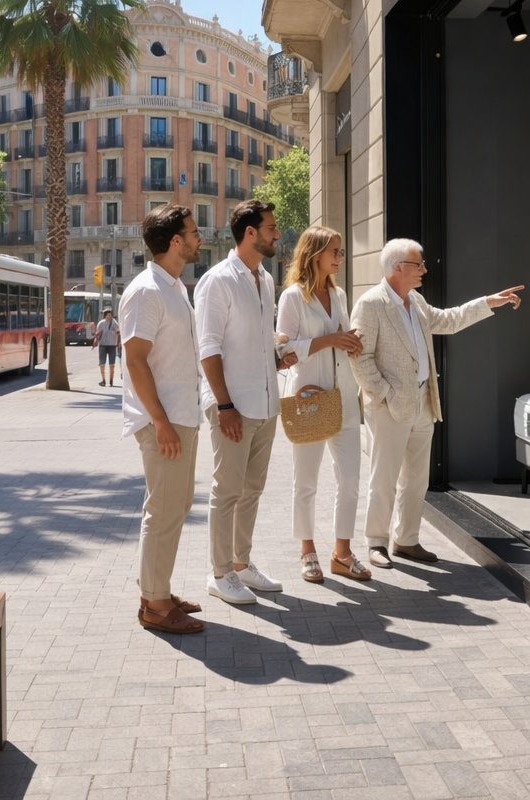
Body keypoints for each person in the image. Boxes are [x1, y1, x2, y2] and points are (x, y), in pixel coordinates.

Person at [350, 238, 524, 569]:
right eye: (419, 265)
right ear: (399, 268)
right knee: (383, 478)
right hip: (389, 405)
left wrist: (489, 302)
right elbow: (360, 358)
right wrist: (385, 394)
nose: (425, 270)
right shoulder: (370, 304)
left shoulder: (415, 300)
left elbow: (447, 320)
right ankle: (376, 542)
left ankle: (406, 540)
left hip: (423, 402)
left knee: (416, 479)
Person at [196, 200, 298, 605]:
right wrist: (224, 406)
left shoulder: (266, 279)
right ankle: (220, 573)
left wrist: (277, 356)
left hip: (265, 403)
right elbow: (208, 348)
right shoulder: (217, 281)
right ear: (250, 232)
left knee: (252, 489)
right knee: (226, 490)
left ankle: (241, 564)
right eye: (271, 228)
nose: (277, 233)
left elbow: (259, 338)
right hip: (232, 406)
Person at [120, 204, 204, 634]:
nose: (198, 237)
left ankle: (158, 589)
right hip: (163, 421)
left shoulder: (173, 287)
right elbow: (135, 361)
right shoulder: (146, 290)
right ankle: (154, 604)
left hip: (181, 416)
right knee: (164, 509)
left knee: (176, 506)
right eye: (192, 232)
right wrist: (160, 421)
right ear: (175, 241)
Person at [276, 226, 366, 583]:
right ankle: (307, 550)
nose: (340, 258)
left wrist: (350, 344)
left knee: (350, 480)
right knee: (306, 481)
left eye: (341, 252)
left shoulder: (339, 294)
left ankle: (341, 553)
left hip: (344, 398)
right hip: (310, 399)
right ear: (314, 254)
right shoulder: (293, 298)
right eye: (335, 251)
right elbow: (284, 351)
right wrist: (329, 339)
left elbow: (338, 340)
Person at [94, 306, 121, 386]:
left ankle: (111, 380)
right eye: (107, 315)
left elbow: (119, 332)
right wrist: (96, 339)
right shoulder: (101, 323)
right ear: (104, 315)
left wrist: (117, 332)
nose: (109, 316)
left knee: (112, 363)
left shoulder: (114, 323)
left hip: (112, 345)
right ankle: (103, 380)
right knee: (102, 363)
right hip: (102, 345)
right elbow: (97, 333)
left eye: (110, 315)